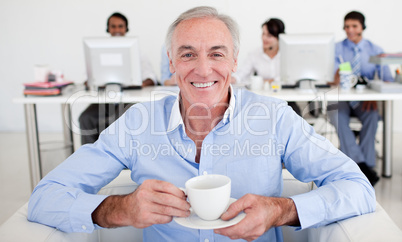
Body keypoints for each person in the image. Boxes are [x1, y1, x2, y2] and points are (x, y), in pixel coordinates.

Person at [28, 6, 375, 241]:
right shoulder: (138, 123)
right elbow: (45, 198)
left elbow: (357, 188)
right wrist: (117, 209)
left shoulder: (274, 117)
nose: (204, 70)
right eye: (188, 53)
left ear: (235, 60)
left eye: (217, 54)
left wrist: (282, 210)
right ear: (171, 62)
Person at [328, 11, 393, 186]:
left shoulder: (375, 50)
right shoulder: (335, 48)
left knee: (372, 116)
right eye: (347, 26)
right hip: (342, 97)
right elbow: (330, 79)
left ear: (362, 27)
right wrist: (336, 71)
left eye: (354, 26)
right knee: (335, 114)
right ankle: (363, 166)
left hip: (366, 99)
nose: (350, 30)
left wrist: (375, 96)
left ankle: (361, 165)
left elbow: (387, 79)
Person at [79, 12, 158, 145]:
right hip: (105, 99)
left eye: (120, 26)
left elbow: (151, 78)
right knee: (85, 118)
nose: (117, 30)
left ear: (126, 29)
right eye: (113, 26)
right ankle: (92, 159)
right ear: (108, 29)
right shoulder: (97, 50)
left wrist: (134, 84)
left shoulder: (138, 52)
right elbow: (88, 79)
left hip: (128, 100)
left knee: (118, 119)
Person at [233, 18, 300, 115]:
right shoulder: (255, 54)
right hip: (263, 100)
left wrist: (271, 80)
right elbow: (242, 73)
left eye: (269, 36)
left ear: (279, 38)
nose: (264, 38)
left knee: (295, 116)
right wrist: (233, 79)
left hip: (286, 99)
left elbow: (293, 79)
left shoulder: (288, 54)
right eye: (263, 34)